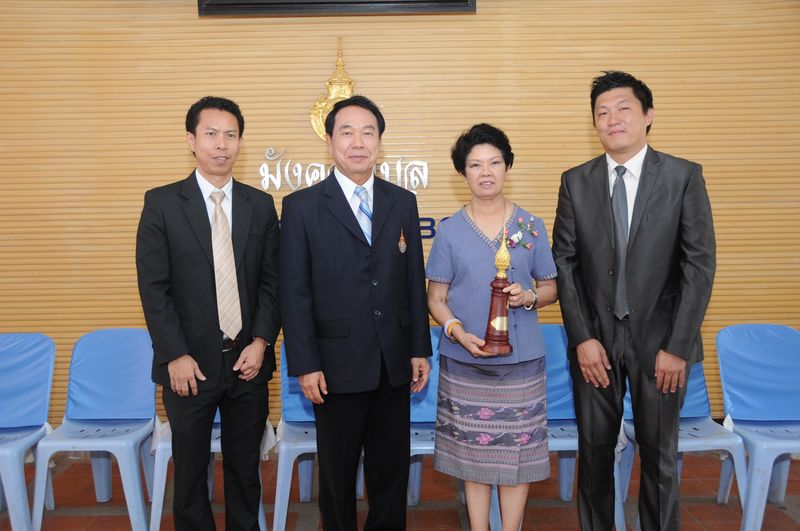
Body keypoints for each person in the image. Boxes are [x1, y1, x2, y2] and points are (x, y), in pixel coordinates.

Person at [552, 71, 716, 530]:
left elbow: (699, 265)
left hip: (662, 343)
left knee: (660, 457)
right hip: (596, 344)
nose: (612, 119)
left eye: (623, 108)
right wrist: (582, 338)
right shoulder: (575, 182)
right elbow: (565, 263)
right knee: (594, 452)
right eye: (602, 112)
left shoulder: (683, 176)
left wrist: (677, 346)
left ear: (648, 116)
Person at [279, 95, 432, 531]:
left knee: (390, 472)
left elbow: (412, 280)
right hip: (334, 365)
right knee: (337, 475)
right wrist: (305, 364)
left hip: (392, 362)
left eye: (368, 132)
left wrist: (419, 348)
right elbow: (294, 293)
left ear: (380, 141)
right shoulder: (302, 207)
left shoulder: (402, 202)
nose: (358, 142)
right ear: (329, 142)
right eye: (347, 132)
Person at [136, 96, 281, 531]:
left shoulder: (260, 205)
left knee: (245, 471)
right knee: (190, 474)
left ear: (240, 142)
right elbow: (154, 288)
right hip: (189, 366)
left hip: (247, 361)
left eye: (231, 135)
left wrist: (261, 341)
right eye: (211, 134)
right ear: (191, 140)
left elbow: (273, 282)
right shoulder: (162, 203)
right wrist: (175, 354)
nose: (222, 144)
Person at [426, 123, 558, 531]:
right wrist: (456, 332)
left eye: (495, 163)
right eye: (475, 165)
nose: (486, 172)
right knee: (474, 455)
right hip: (465, 360)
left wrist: (529, 297)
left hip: (521, 362)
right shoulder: (449, 231)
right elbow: (435, 298)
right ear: (462, 173)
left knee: (517, 457)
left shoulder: (530, 225)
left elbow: (551, 288)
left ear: (507, 167)